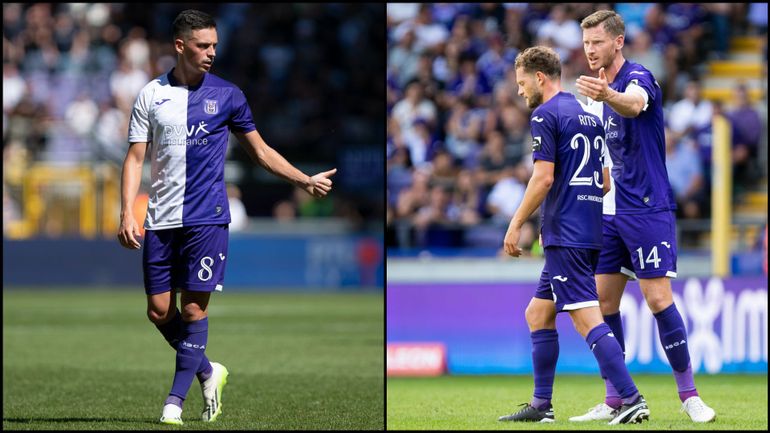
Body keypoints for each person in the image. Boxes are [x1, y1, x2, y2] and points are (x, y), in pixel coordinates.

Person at [116, 10, 336, 425]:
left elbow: (262, 151)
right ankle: (208, 370)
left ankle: (173, 404)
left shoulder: (229, 95)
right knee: (159, 312)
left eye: (214, 45)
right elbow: (134, 158)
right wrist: (128, 210)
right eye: (203, 46)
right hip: (160, 218)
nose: (211, 53)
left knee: (194, 311)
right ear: (180, 47)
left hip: (207, 219)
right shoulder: (151, 95)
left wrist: (304, 180)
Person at [571, 10, 715, 423]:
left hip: (647, 207)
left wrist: (607, 97)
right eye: (585, 44)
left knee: (657, 299)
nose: (590, 50)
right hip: (610, 212)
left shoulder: (638, 77)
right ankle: (615, 396)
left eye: (597, 42)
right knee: (602, 301)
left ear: (617, 42)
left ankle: (689, 395)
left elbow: (633, 106)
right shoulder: (593, 95)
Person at [498, 45, 649, 425]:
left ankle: (631, 399)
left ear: (540, 78)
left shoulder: (544, 115)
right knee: (538, 312)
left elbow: (544, 177)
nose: (520, 92)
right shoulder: (588, 114)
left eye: (521, 83)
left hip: (565, 234)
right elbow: (604, 182)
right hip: (590, 229)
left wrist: (516, 223)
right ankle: (541, 405)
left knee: (585, 319)